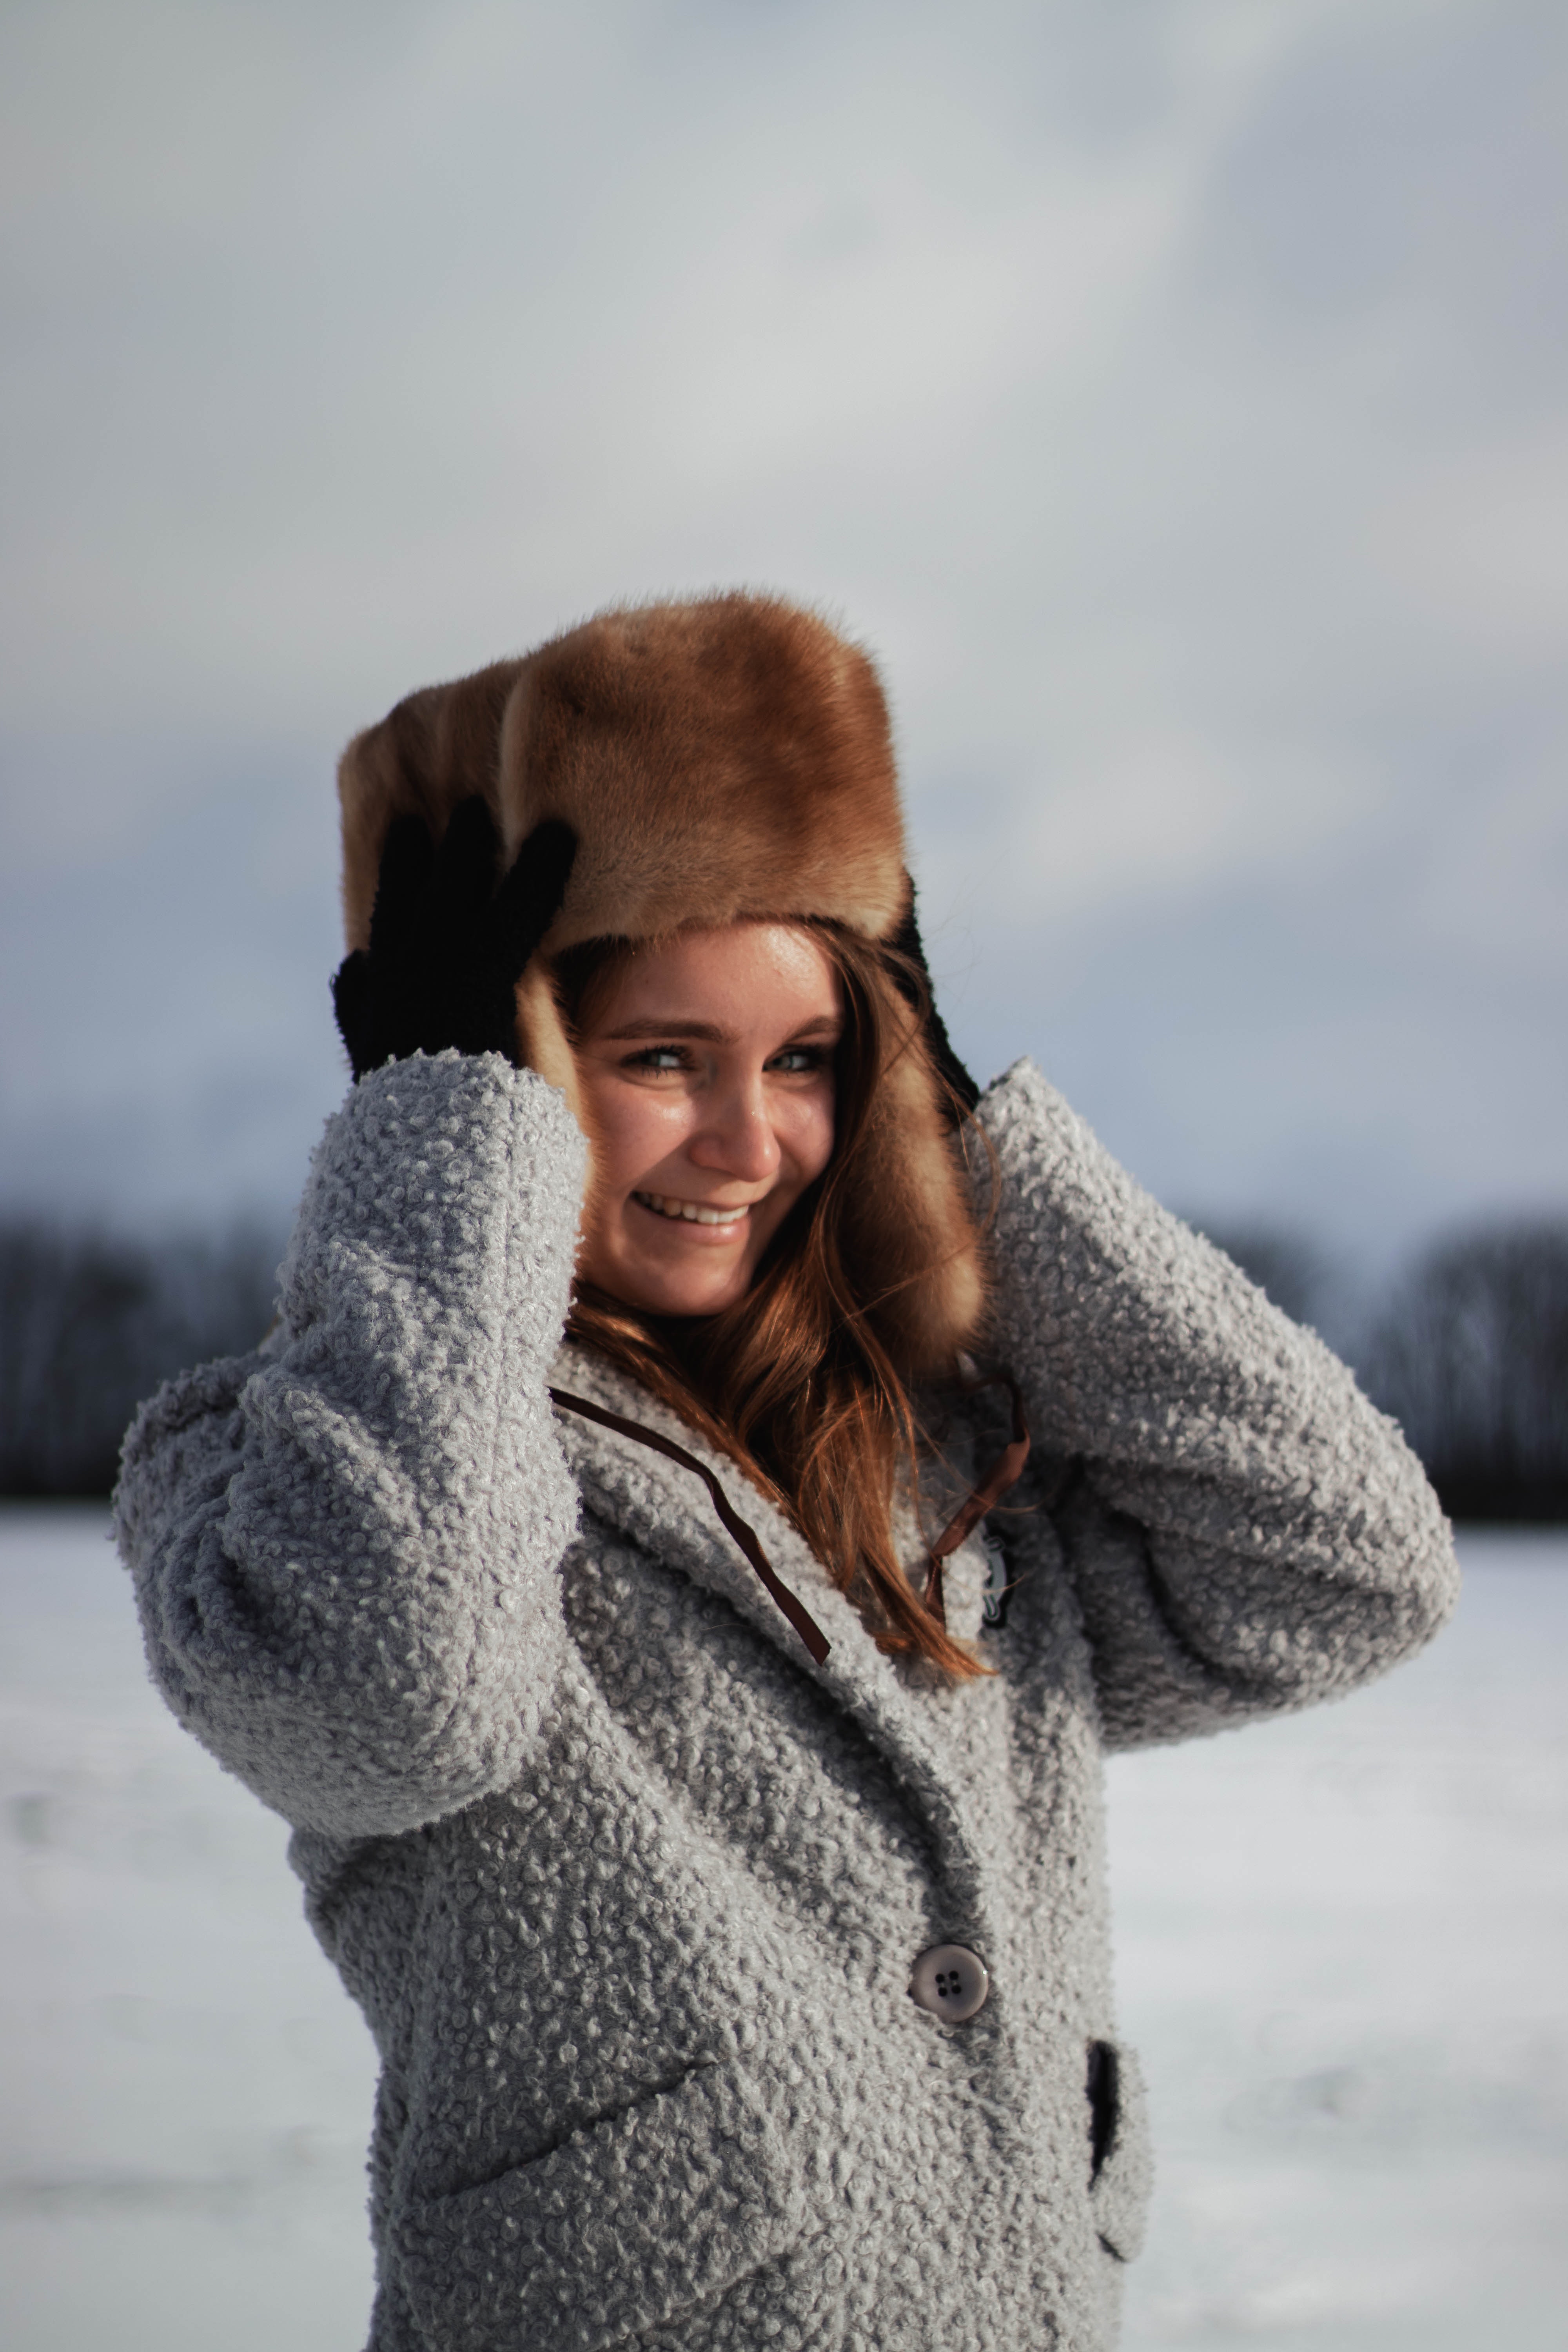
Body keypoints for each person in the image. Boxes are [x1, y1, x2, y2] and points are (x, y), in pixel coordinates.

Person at [115, 593, 1458, 2352]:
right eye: (662, 1059)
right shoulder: (299, 1468)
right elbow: (384, 1705)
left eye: (811, 1061)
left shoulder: (939, 1464)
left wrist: (963, 1145)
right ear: (496, 1061)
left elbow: (1347, 1571)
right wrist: (445, 1130)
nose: (751, 1142)